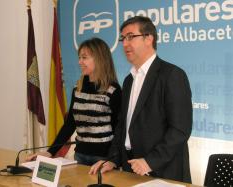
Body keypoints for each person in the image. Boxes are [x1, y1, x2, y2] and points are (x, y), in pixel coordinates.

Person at [89, 16, 192, 183]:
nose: (125, 43)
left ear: (148, 38)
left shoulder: (172, 75)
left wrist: (150, 162)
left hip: (162, 170)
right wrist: (112, 160)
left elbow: (180, 129)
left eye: (131, 37)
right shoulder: (129, 80)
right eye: (123, 38)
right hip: (130, 166)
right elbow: (123, 124)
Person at [26, 37, 121, 166]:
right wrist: (50, 152)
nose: (80, 62)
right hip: (80, 156)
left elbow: (119, 129)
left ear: (100, 59)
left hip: (103, 159)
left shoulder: (113, 90)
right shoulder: (78, 88)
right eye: (79, 57)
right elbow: (70, 124)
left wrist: (112, 160)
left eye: (84, 57)